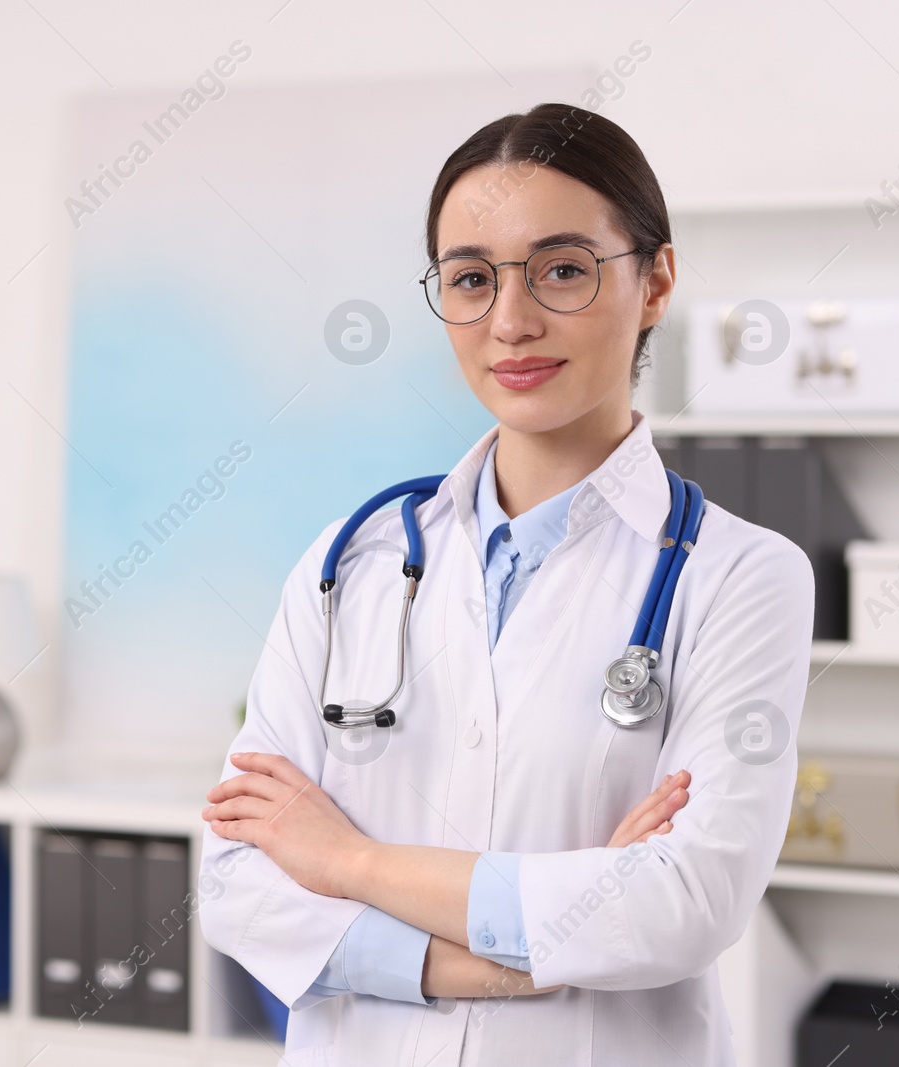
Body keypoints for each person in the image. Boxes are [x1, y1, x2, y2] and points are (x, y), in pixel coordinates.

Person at [196, 103, 814, 1066]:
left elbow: (682, 904)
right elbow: (237, 877)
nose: (511, 322)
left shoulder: (742, 576)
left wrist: (346, 861)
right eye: (472, 280)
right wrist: (509, 955)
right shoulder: (348, 565)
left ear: (656, 280)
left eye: (563, 269)